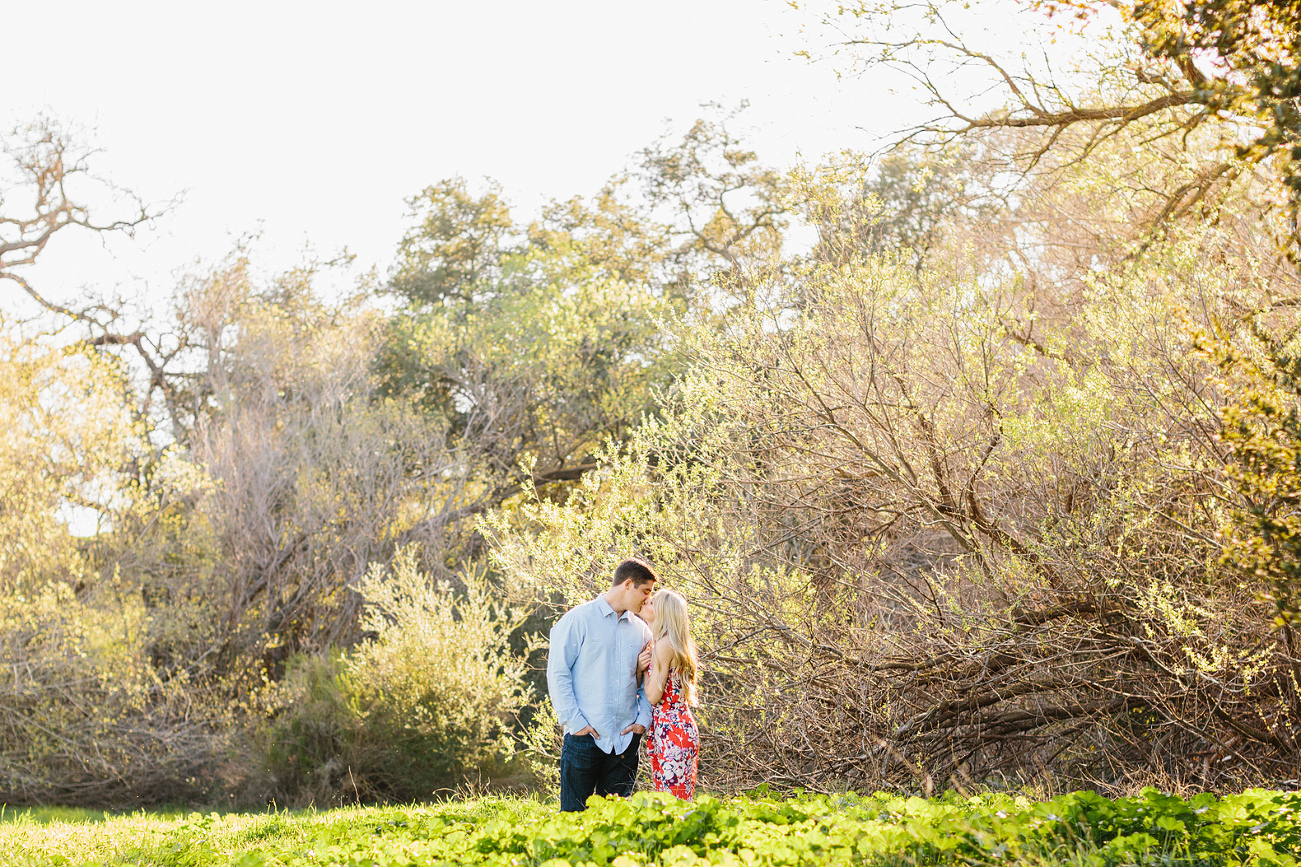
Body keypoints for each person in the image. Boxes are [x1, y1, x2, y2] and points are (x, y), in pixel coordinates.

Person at [546, 558, 657, 811]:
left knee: (616, 825)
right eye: (645, 592)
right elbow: (558, 674)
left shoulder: (642, 631)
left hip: (625, 742)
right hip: (584, 738)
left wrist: (643, 720)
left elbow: (646, 682)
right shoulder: (578, 620)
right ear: (628, 585)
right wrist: (576, 723)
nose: (647, 599)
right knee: (573, 820)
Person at [639, 588, 700, 799]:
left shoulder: (663, 646)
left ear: (663, 612)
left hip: (673, 732)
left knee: (673, 805)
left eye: (652, 602)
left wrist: (641, 671)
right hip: (673, 728)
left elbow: (654, 696)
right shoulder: (666, 643)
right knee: (674, 802)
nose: (646, 603)